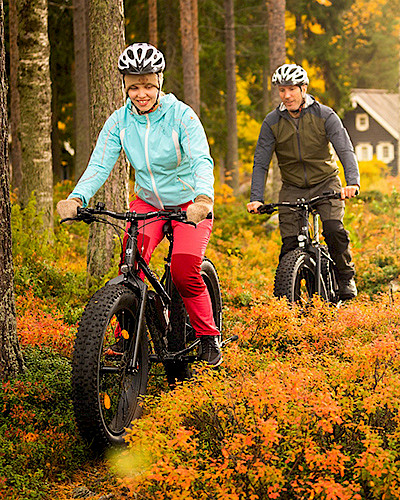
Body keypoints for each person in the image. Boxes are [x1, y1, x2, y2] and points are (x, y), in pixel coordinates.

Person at [57, 42, 222, 366]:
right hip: (148, 202)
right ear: (125, 87)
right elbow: (100, 164)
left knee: (184, 269)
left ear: (159, 82)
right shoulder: (120, 121)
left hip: (190, 204)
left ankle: (208, 336)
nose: (141, 93)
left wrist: (203, 198)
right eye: (134, 87)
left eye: (147, 85)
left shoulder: (181, 116)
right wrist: (78, 197)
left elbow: (202, 159)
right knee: (129, 262)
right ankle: (127, 334)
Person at [247, 63, 360, 300]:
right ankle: (289, 295)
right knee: (289, 245)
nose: (286, 95)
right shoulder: (271, 122)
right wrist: (256, 198)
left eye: (291, 89)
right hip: (292, 187)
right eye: (281, 90)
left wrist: (352, 182)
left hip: (326, 182)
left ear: (303, 88)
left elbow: (345, 149)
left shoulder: (324, 115)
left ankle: (345, 276)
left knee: (333, 229)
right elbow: (261, 162)